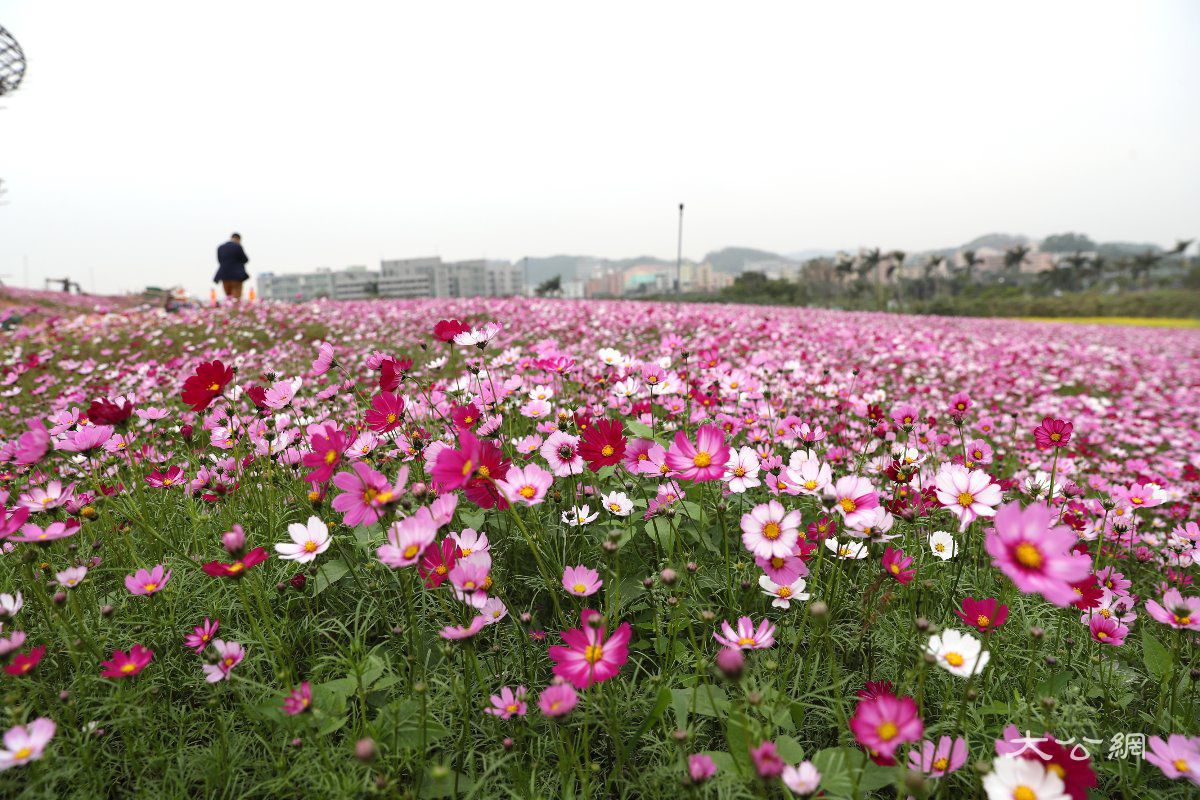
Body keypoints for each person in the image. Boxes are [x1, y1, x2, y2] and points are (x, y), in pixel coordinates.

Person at [214, 233, 250, 300]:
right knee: (236, 297)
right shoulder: (237, 246)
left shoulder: (220, 247)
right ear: (238, 239)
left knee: (228, 297)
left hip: (224, 275)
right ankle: (235, 310)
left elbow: (219, 260)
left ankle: (230, 309)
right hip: (237, 276)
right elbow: (245, 259)